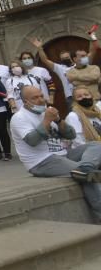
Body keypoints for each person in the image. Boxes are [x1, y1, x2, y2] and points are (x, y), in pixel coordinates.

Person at [10, 85, 101, 223]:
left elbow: (70, 135)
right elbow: (32, 141)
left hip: (63, 154)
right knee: (88, 176)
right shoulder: (19, 117)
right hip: (42, 162)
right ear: (25, 101)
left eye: (41, 95)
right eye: (35, 98)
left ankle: (85, 166)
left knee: (95, 146)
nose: (40, 100)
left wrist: (58, 120)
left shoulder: (47, 112)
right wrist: (47, 120)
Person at [31, 38, 76, 110]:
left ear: (72, 57)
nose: (65, 59)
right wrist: (40, 48)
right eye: (63, 58)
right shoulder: (60, 68)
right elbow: (45, 60)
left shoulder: (79, 65)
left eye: (67, 57)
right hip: (70, 97)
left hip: (84, 93)